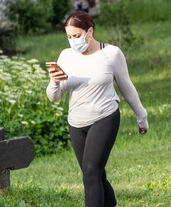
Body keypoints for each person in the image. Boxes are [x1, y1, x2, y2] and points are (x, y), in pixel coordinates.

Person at [46, 11, 148, 207]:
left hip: (104, 117)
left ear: (89, 31)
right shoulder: (66, 56)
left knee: (91, 171)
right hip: (76, 123)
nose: (72, 41)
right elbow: (54, 97)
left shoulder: (111, 53)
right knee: (94, 173)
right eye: (69, 37)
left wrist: (141, 117)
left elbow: (126, 86)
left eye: (76, 36)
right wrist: (53, 82)